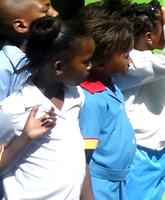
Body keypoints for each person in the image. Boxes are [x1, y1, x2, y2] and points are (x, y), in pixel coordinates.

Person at [0, 16, 95, 200]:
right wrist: (24, 138)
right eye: (85, 62)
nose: (90, 66)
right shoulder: (14, 108)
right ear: (59, 67)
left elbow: (76, 156)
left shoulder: (76, 96)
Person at [116, 0, 165, 198]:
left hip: (157, 149)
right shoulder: (134, 62)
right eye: (163, 29)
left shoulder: (149, 59)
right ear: (149, 37)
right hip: (139, 150)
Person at [76, 8, 137, 200]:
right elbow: (83, 156)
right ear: (100, 63)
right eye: (125, 56)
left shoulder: (111, 86)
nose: (130, 60)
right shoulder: (92, 99)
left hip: (117, 182)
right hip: (97, 184)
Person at [0, 0, 60, 99]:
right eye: (46, 10)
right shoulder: (3, 69)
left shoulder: (48, 55)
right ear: (21, 26)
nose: (55, 13)